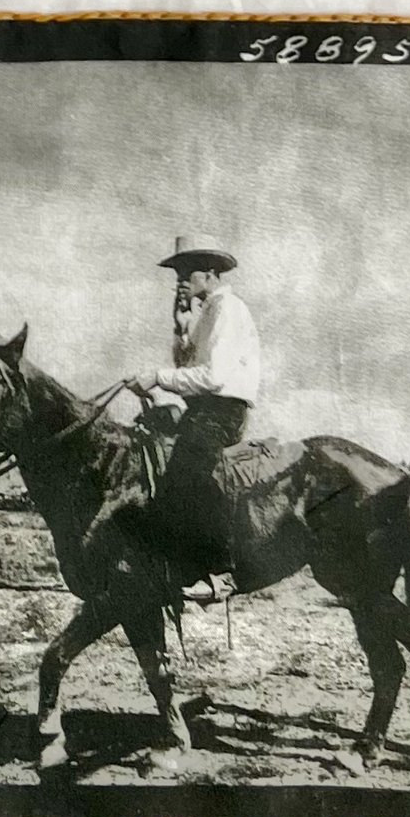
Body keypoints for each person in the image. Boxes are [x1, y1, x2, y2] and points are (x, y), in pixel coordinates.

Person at [123, 233, 264, 585]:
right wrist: (180, 327)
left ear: (212, 273)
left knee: (188, 471)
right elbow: (188, 367)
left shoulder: (228, 310)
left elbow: (213, 377)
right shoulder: (208, 313)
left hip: (221, 411)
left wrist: (156, 377)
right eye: (178, 275)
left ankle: (217, 569)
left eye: (188, 273)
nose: (181, 282)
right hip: (204, 410)